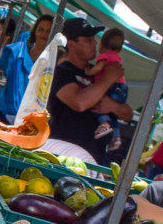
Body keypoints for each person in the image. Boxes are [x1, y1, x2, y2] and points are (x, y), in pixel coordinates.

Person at [46, 17, 132, 161]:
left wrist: (113, 106)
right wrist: (108, 79)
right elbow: (79, 103)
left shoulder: (98, 71)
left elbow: (128, 113)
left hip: (95, 156)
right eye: (88, 40)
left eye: (93, 39)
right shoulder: (61, 72)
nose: (95, 43)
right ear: (72, 44)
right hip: (63, 154)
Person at [0, 14, 53, 123]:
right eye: (41, 29)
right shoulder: (18, 53)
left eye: (48, 31)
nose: (44, 34)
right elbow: (4, 68)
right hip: (7, 112)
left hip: (31, 118)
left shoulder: (52, 62)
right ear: (35, 31)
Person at [89, 28, 130, 151]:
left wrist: (89, 72)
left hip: (112, 87)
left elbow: (98, 68)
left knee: (97, 105)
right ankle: (116, 138)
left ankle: (104, 124)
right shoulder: (117, 57)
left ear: (102, 44)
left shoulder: (104, 56)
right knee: (113, 115)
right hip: (122, 89)